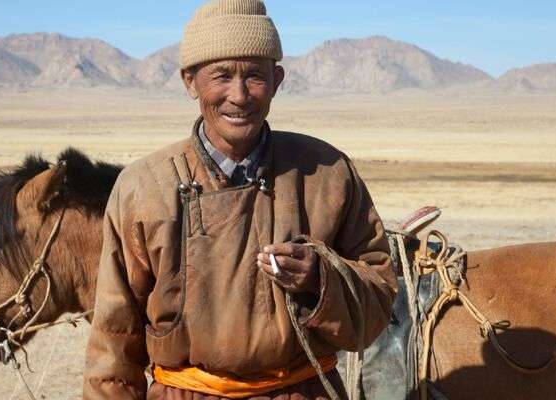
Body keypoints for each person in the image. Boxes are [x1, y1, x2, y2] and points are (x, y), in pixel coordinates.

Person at [83, 0, 397, 398]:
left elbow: (380, 291)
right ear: (190, 81)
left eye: (254, 76)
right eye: (221, 76)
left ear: (278, 79)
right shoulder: (144, 187)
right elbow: (114, 337)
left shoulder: (327, 173)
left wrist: (321, 279)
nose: (240, 95)